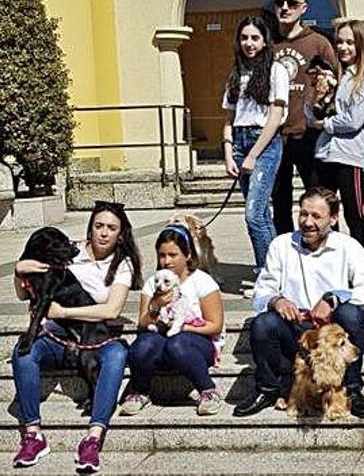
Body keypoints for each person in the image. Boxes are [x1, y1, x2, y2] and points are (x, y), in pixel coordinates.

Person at [11, 201, 143, 472]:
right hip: (58, 332)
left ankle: (93, 438)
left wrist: (64, 310)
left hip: (95, 334)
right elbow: (25, 293)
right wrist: (18, 270)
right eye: (99, 226)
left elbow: (112, 309)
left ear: (121, 234)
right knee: (23, 352)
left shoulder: (122, 264)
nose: (104, 233)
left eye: (111, 228)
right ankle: (33, 434)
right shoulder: (66, 251)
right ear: (90, 227)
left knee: (118, 355)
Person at [232, 187, 364, 419]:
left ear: (333, 219)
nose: (307, 222)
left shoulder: (348, 247)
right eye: (303, 214)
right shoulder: (281, 245)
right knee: (263, 323)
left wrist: (333, 298)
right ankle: (268, 389)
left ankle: (351, 390)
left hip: (333, 332)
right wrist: (276, 300)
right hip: (298, 330)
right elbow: (262, 291)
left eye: (316, 216)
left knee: (351, 315)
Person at [120, 225, 225, 417]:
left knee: (178, 344)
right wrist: (156, 304)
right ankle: (140, 391)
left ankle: (208, 390)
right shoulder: (154, 282)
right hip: (161, 339)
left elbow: (215, 325)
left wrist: (183, 327)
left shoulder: (202, 281)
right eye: (162, 255)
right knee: (142, 346)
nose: (166, 261)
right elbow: (143, 322)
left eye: (172, 254)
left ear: (188, 254)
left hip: (195, 343)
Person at [222, 16, 289, 278]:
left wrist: (252, 155)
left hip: (264, 143)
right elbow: (228, 119)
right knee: (260, 214)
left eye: (255, 38)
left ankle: (266, 273)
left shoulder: (276, 70)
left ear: (264, 41)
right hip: (239, 141)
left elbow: (274, 118)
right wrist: (229, 155)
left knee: (253, 216)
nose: (249, 43)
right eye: (244, 38)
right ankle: (277, 272)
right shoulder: (236, 74)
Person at [310, 19, 364, 250]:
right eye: (340, 42)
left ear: (361, 45)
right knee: (324, 213)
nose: (343, 47)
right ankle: (329, 257)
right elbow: (316, 108)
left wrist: (324, 124)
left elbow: (353, 120)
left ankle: (360, 261)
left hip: (351, 157)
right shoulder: (336, 76)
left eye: (350, 43)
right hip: (327, 153)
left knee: (354, 215)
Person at [271, 0, 338, 235]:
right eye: (280, 2)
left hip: (309, 135)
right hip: (274, 136)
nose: (285, 7)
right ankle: (288, 255)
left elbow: (335, 86)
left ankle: (326, 251)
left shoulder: (319, 43)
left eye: (292, 3)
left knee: (319, 200)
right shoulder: (267, 44)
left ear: (304, 8)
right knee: (280, 203)